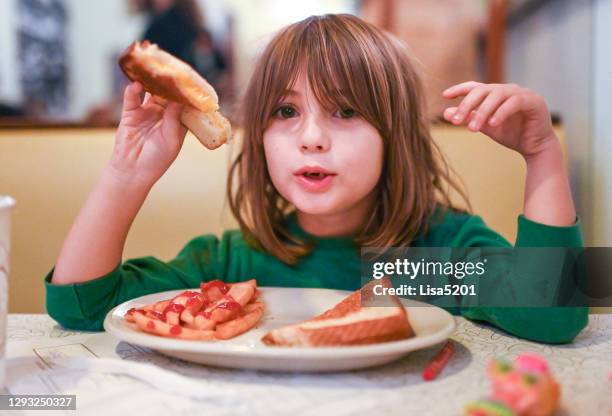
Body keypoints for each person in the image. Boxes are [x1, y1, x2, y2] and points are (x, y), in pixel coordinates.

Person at [45, 14, 586, 344]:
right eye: (285, 112)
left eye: (345, 111)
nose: (311, 138)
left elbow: (554, 315)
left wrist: (542, 155)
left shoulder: (428, 259)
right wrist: (125, 174)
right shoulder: (232, 265)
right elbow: (80, 306)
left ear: (394, 137)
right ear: (257, 137)